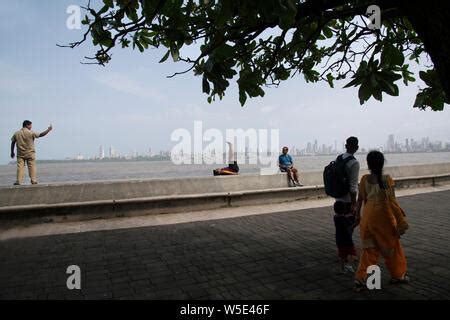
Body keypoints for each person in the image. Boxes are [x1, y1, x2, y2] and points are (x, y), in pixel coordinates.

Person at [353, 151, 409, 292]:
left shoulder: (365, 179)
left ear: (368, 163)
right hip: (384, 217)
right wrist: (399, 219)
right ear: (382, 163)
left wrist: (357, 216)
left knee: (369, 250)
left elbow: (360, 200)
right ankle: (398, 275)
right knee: (392, 248)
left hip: (368, 217)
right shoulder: (386, 179)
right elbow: (392, 201)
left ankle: (361, 280)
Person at [333, 136, 360, 273]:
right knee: (349, 230)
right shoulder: (354, 163)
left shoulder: (339, 158)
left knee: (340, 230)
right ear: (356, 147)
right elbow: (353, 186)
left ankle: (342, 256)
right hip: (348, 201)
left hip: (338, 199)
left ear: (345, 145)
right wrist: (355, 204)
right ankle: (349, 259)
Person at [10, 120, 53, 185]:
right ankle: (33, 180)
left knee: (20, 167)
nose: (31, 127)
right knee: (32, 167)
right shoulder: (31, 133)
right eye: (30, 125)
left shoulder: (17, 133)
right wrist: (48, 130)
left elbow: (13, 142)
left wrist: (12, 152)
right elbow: (41, 135)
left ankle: (18, 181)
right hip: (30, 153)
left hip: (20, 154)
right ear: (27, 125)